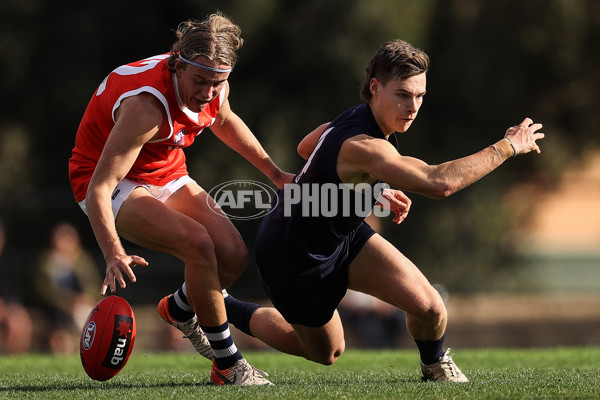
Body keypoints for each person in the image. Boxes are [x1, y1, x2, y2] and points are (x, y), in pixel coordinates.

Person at [219, 39, 545, 382]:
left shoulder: (363, 119)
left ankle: (434, 368)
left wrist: (369, 185)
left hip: (340, 235)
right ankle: (222, 305)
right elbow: (438, 183)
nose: (413, 106)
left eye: (419, 96)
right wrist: (508, 146)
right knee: (325, 352)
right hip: (294, 254)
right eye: (403, 94)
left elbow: (306, 147)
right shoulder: (366, 145)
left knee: (431, 308)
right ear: (375, 87)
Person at [68, 12, 292, 385]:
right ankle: (229, 366)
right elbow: (99, 188)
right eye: (200, 81)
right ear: (177, 64)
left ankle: (178, 307)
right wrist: (112, 252)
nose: (208, 92)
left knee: (233, 254)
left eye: (217, 82)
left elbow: (223, 119)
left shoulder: (215, 84)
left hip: (165, 170)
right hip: (107, 180)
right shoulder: (145, 107)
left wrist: (273, 172)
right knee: (199, 245)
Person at [34, 222, 102, 354]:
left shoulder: (82, 260)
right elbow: (46, 291)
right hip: (56, 310)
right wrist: (68, 302)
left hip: (82, 306)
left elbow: (93, 285)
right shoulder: (47, 262)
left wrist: (86, 299)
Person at [0, 219, 33, 354]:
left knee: (21, 319)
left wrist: (13, 307)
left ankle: (16, 358)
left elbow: (14, 291)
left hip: (7, 305)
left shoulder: (9, 261)